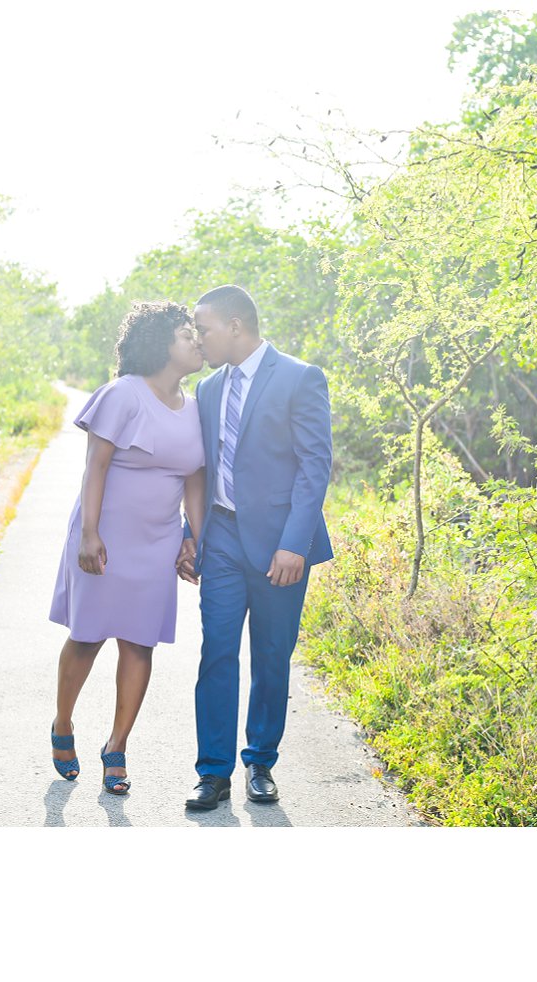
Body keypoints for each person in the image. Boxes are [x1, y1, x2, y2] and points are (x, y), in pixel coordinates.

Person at [183, 285, 334, 812]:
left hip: (279, 546)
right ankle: (213, 771)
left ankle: (261, 761)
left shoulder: (300, 377)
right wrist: (191, 534)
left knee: (272, 655)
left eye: (202, 329)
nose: (198, 340)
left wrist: (296, 543)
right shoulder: (205, 391)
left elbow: (315, 467)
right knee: (217, 652)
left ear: (235, 326)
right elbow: (199, 471)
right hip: (221, 539)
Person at [49, 303, 206, 796]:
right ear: (162, 343)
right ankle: (63, 723)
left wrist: (194, 539)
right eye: (187, 335)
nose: (198, 342)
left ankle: (116, 747)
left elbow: (195, 481)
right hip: (107, 537)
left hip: (158, 542)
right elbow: (95, 466)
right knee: (88, 636)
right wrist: (90, 533)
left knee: (140, 642)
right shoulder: (123, 395)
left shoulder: (198, 405)